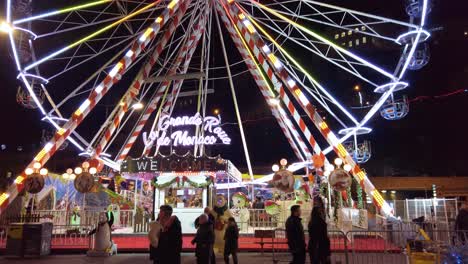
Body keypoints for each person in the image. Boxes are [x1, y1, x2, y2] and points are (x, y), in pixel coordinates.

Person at [308, 198, 331, 264]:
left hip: (313, 246)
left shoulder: (311, 223)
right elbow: (324, 237)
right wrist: (328, 252)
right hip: (321, 246)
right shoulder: (321, 223)